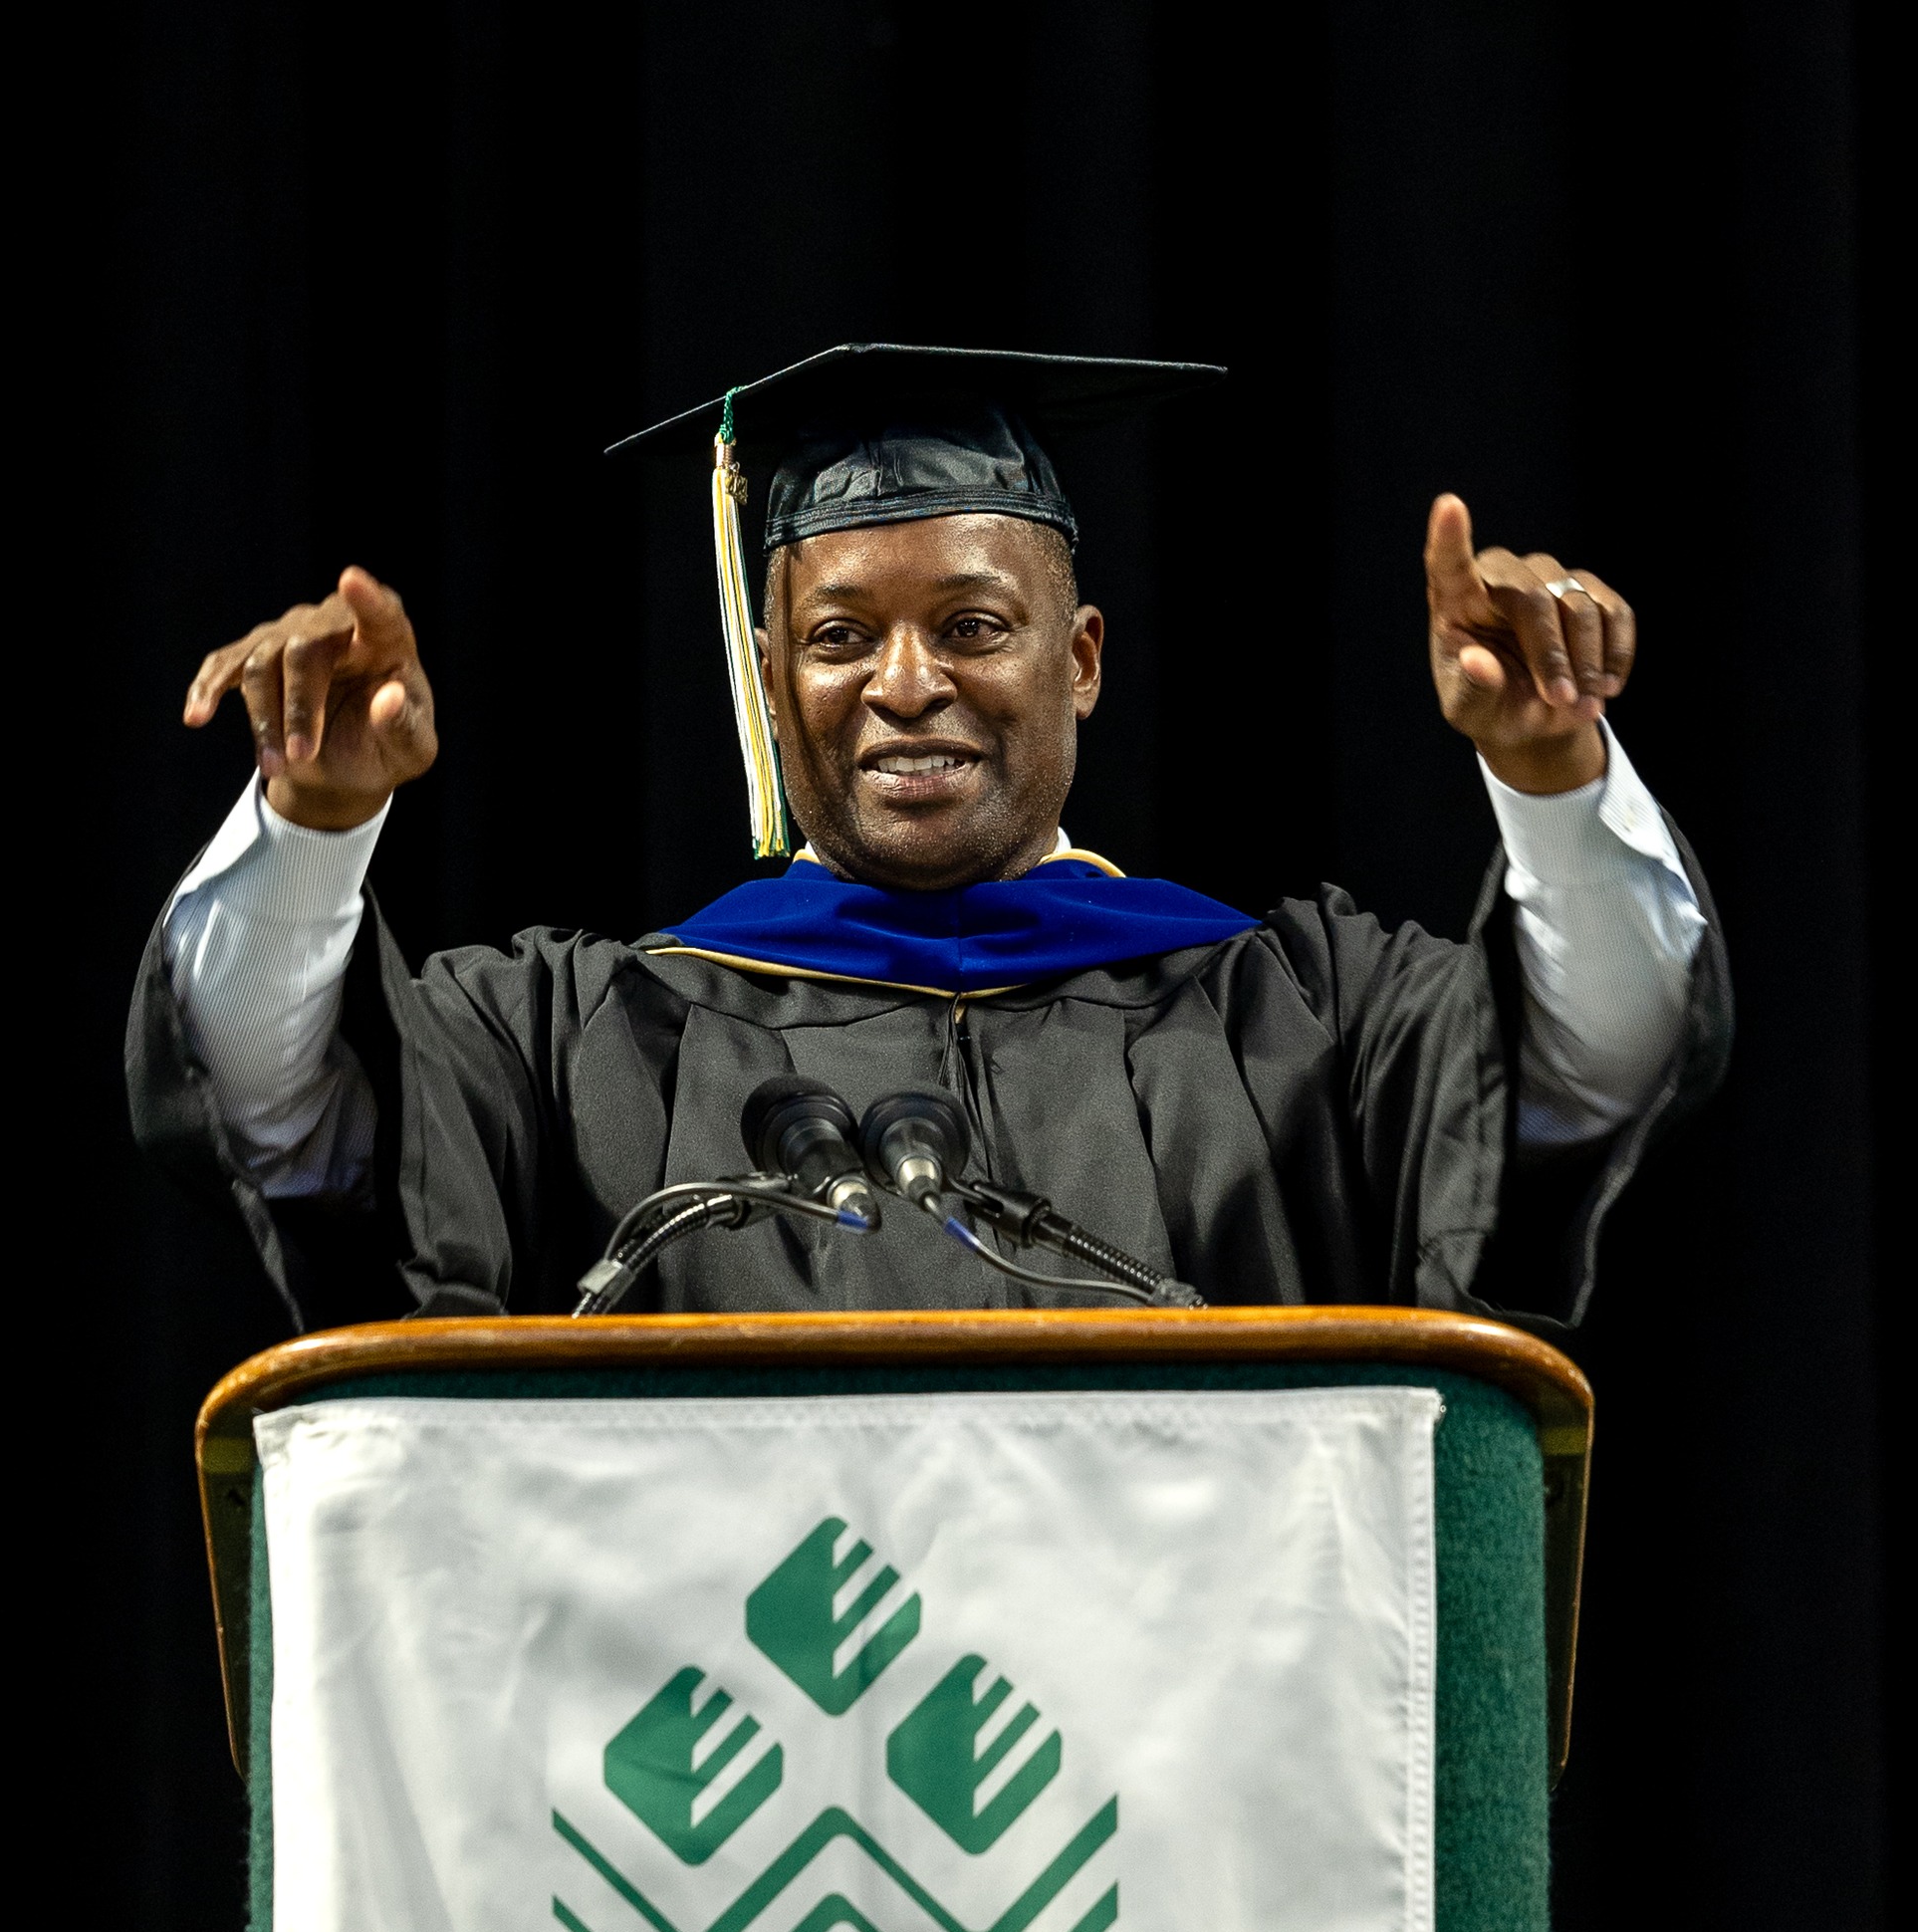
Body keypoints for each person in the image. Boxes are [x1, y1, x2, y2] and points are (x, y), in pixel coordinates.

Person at [127, 345, 1729, 1328]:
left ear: (1080, 659)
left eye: (972, 624)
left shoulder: (1299, 1016)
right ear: (768, 681)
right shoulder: (586, 1040)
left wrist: (1554, 787)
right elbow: (283, 1113)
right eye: (838, 640)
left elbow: (1592, 1063)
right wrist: (319, 823)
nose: (907, 688)